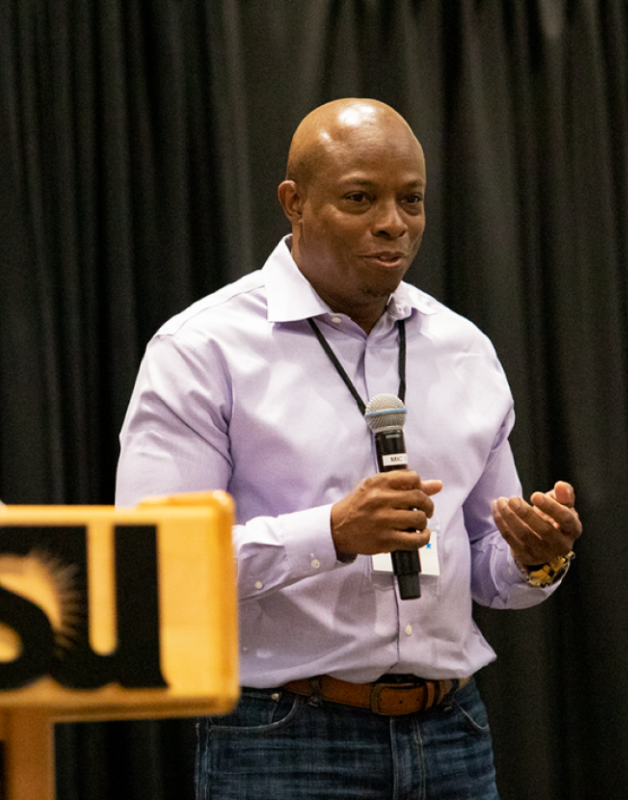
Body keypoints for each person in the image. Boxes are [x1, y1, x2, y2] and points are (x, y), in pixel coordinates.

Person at [115, 98, 582, 799]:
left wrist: (535, 556)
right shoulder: (203, 349)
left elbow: (487, 572)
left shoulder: (463, 349)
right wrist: (330, 534)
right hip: (284, 738)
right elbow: (152, 563)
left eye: (412, 199)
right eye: (361, 198)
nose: (394, 222)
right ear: (293, 203)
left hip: (453, 733)